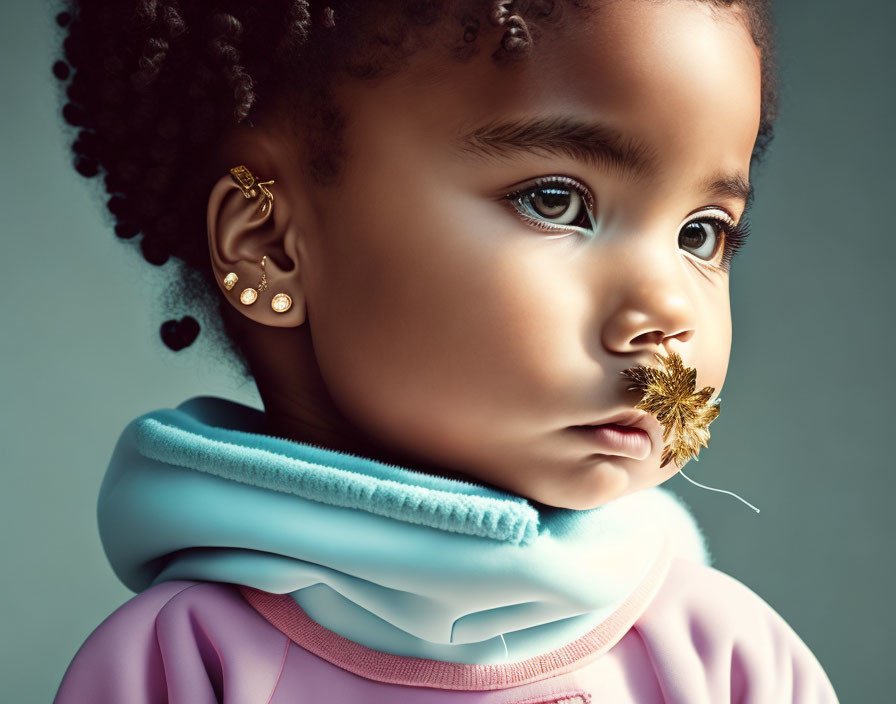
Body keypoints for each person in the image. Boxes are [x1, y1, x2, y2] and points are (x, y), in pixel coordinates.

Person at [51, 1, 840, 701]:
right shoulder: (181, 666)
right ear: (270, 244)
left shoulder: (731, 662)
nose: (668, 310)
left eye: (702, 234)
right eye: (556, 201)